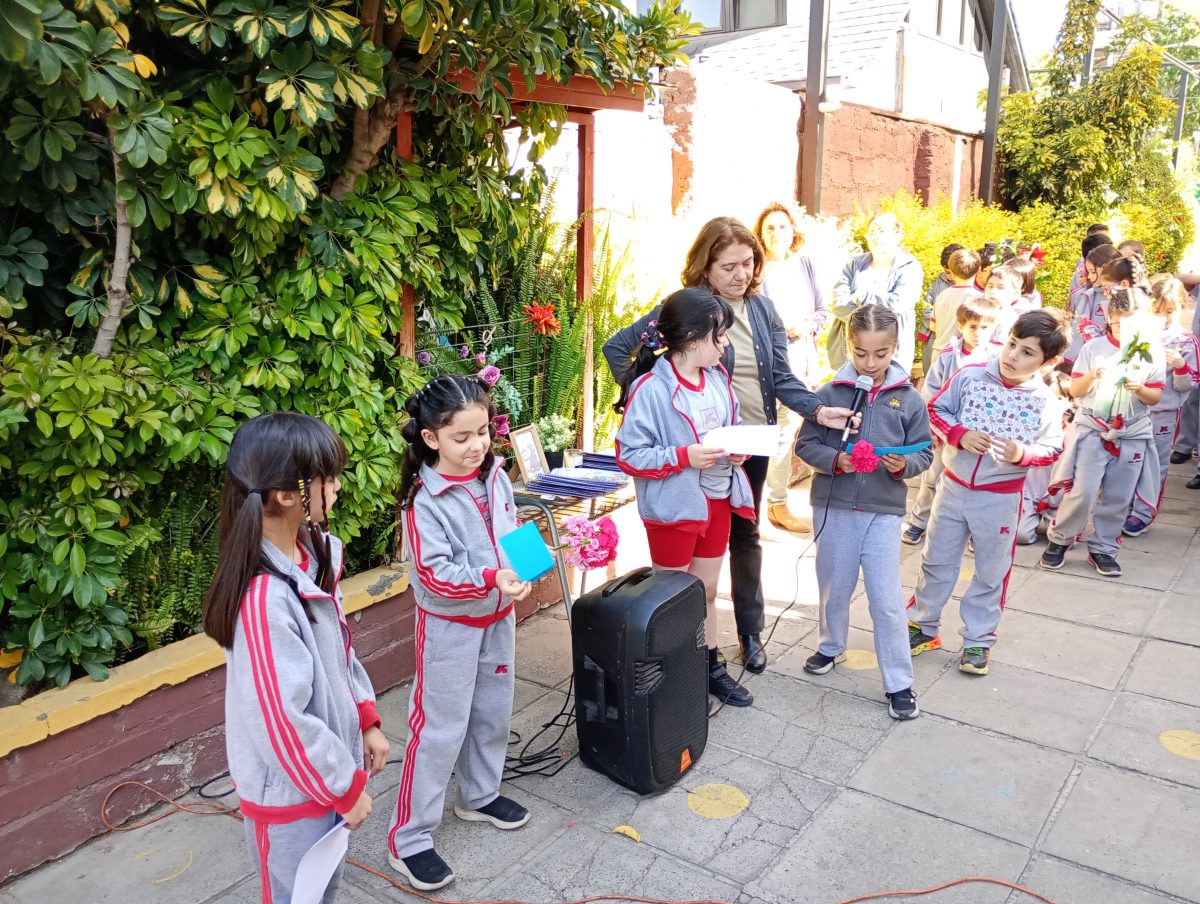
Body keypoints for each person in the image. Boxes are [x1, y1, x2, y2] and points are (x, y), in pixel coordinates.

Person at [603, 217, 858, 674]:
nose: (742, 275)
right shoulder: (687, 313)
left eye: (748, 263)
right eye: (729, 267)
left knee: (745, 537)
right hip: (691, 455)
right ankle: (688, 654)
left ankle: (748, 633)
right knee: (690, 561)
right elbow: (619, 350)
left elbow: (781, 377)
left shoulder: (761, 309)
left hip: (746, 441)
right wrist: (655, 397)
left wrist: (818, 410)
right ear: (705, 269)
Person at [203, 412, 386, 904]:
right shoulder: (264, 600)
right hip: (293, 797)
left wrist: (364, 717)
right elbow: (283, 723)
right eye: (328, 478)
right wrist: (344, 789)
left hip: (324, 785)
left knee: (323, 891)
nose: (338, 487)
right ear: (287, 494)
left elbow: (337, 654)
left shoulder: (311, 557)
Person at [388, 375, 532, 891]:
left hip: (498, 618)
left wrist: (529, 565)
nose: (476, 447)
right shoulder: (422, 500)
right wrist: (491, 578)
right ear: (431, 439)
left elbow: (512, 528)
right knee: (439, 727)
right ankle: (409, 839)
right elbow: (432, 574)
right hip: (449, 627)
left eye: (482, 433)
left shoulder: (493, 474)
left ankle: (479, 794)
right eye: (461, 437)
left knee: (494, 708)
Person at [614, 289, 756, 706]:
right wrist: (683, 457)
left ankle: (710, 667)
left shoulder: (717, 379)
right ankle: (673, 675)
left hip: (716, 497)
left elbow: (732, 425)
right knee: (672, 597)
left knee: (707, 590)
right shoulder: (651, 390)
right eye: (720, 336)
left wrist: (738, 448)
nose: (725, 345)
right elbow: (629, 455)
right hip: (675, 507)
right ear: (693, 339)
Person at [908, 311, 1069, 676]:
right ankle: (922, 625)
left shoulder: (1045, 400)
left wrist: (1021, 454)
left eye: (1028, 352)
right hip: (952, 486)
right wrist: (958, 434)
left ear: (1049, 361)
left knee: (991, 571)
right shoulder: (969, 375)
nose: (1013, 356)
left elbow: (1053, 447)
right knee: (935, 559)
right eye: (1012, 344)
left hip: (1001, 497)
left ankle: (978, 640)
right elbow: (935, 409)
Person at [795, 304, 932, 720]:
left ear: (896, 349)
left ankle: (899, 682)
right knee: (833, 585)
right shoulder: (827, 394)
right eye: (860, 353)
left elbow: (924, 451)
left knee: (886, 598)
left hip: (882, 510)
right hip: (834, 507)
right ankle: (830, 645)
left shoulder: (909, 400)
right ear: (848, 346)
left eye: (881, 354)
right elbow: (805, 445)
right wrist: (836, 461)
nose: (869, 364)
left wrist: (903, 465)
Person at [1041, 288, 1164, 577]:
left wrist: (1139, 387)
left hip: (1131, 431)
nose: (1127, 331)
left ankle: (1104, 548)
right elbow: (1075, 389)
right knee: (1082, 490)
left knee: (1118, 496)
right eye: (1120, 324)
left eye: (1134, 325)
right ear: (1110, 319)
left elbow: (1155, 397)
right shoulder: (1093, 347)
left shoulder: (1151, 351)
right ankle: (1061, 538)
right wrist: (1094, 377)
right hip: (1094, 428)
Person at [903, 295, 1003, 546]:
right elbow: (931, 393)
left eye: (985, 327)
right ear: (960, 326)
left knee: (975, 483)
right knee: (934, 478)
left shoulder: (998, 359)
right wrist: (934, 429)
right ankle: (919, 521)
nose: (978, 333)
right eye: (972, 326)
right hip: (947, 430)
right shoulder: (949, 356)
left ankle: (972, 531)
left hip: (980, 435)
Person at [754, 202, 828, 534]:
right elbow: (758, 318)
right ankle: (776, 504)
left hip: (803, 356)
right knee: (780, 433)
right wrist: (786, 330)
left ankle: (773, 501)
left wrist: (808, 327)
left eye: (782, 226)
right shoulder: (757, 270)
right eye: (770, 228)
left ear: (793, 229)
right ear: (761, 234)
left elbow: (822, 311)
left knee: (791, 430)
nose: (777, 233)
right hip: (774, 359)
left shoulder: (806, 263)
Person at [1124, 278, 1199, 535]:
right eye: (1158, 310)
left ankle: (1144, 512)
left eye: (1170, 311)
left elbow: (1188, 385)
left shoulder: (1187, 341)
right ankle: (1126, 503)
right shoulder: (1139, 332)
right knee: (1128, 457)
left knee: (1156, 463)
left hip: (1165, 412)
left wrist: (1179, 366)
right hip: (1134, 407)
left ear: (1181, 306)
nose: (1164, 317)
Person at [828, 212, 924, 374]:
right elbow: (838, 305)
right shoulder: (853, 265)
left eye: (880, 230)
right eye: (871, 232)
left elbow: (897, 305)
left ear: (897, 234)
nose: (875, 236)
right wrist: (875, 313)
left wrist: (860, 296)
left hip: (892, 356)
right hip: (851, 354)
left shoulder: (909, 267)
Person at [922, 247, 983, 371]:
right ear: (979, 270)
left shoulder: (942, 296)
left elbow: (933, 326)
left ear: (951, 272)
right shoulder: (978, 299)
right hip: (963, 354)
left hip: (939, 351)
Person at [919, 243, 964, 371]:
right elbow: (925, 309)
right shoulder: (935, 283)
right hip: (935, 336)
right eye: (947, 272)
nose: (951, 276)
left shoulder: (973, 285)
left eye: (953, 272)